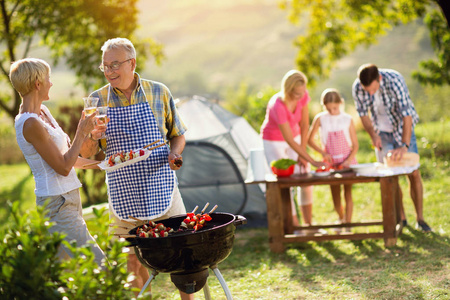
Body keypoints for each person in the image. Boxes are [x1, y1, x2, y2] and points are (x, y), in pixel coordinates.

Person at [79, 38, 193, 299]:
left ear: (132, 63)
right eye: (105, 66)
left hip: (161, 185)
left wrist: (174, 153)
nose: (109, 71)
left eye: (115, 64)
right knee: (132, 262)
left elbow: (178, 134)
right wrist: (93, 136)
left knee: (182, 254)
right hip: (123, 192)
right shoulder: (96, 100)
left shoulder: (159, 92)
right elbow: (86, 154)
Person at [10, 58, 106, 266]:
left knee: (63, 273)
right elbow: (62, 168)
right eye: (48, 78)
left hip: (70, 196)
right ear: (37, 84)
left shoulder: (43, 113)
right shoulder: (30, 124)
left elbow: (68, 159)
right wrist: (81, 131)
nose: (51, 83)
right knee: (100, 265)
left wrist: (105, 165)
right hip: (56, 203)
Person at [352, 63, 431, 232]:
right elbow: (362, 114)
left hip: (402, 129)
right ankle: (401, 218)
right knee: (390, 175)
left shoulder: (395, 80)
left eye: (373, 89)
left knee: (413, 172)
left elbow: (406, 114)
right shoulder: (358, 87)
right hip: (381, 132)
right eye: (368, 91)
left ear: (379, 78)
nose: (370, 94)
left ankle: (421, 219)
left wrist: (404, 145)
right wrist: (373, 135)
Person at [260, 69, 326, 227]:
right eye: (296, 93)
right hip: (274, 141)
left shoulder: (302, 95)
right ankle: (294, 226)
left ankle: (309, 225)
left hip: (296, 139)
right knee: (285, 183)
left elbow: (304, 125)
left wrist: (303, 155)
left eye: (302, 92)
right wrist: (313, 160)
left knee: (305, 179)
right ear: (288, 90)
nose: (300, 96)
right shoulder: (278, 105)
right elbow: (288, 140)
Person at [308, 88, 359, 226]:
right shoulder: (321, 118)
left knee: (347, 193)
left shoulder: (347, 119)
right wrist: (323, 153)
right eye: (329, 109)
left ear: (340, 103)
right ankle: (341, 218)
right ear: (324, 106)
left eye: (335, 108)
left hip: (348, 162)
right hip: (331, 163)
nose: (332, 111)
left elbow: (355, 145)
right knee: (335, 194)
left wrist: (348, 160)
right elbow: (309, 140)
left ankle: (348, 224)